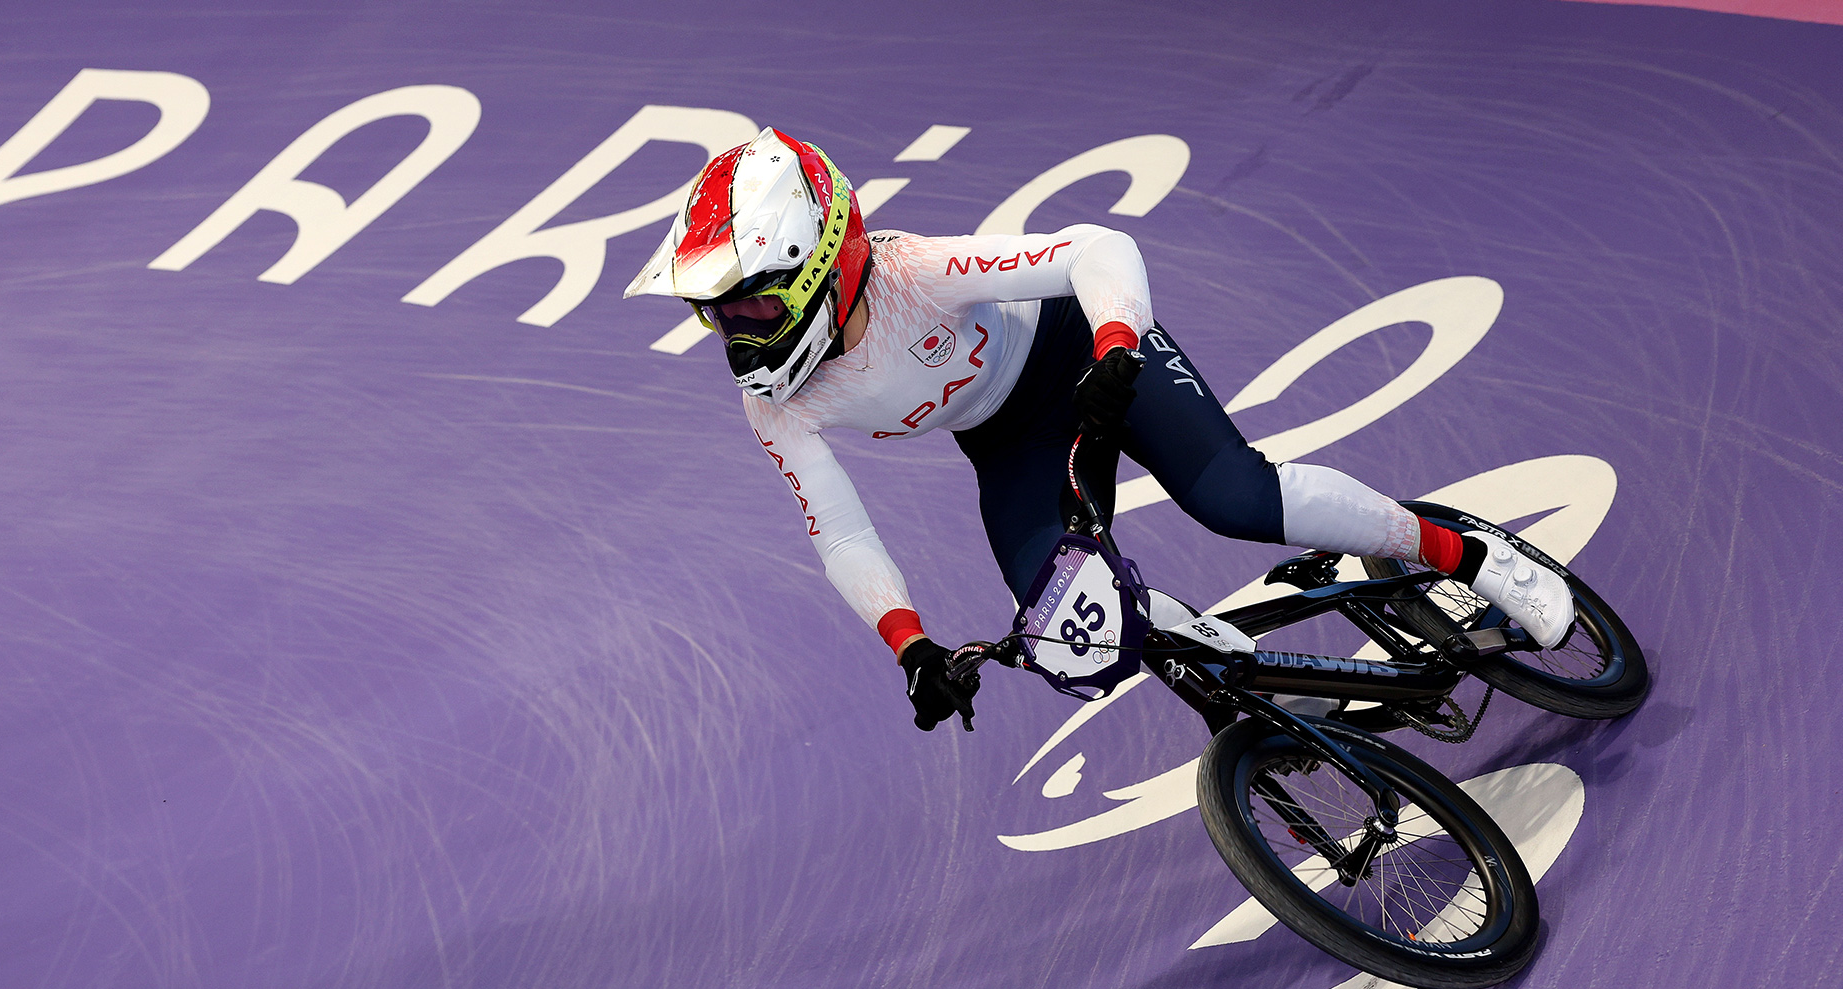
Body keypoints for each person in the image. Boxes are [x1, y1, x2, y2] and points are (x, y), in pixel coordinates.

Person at [626, 128, 1572, 731]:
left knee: (1237, 499)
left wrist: (1118, 345)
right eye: (718, 316)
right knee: (1069, 625)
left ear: (818, 265)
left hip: (1090, 358)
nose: (736, 336)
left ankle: (1475, 559)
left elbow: (1096, 248)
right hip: (1008, 440)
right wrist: (910, 646)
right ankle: (1254, 681)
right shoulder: (777, 403)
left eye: (748, 308)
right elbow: (839, 532)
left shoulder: (917, 273)